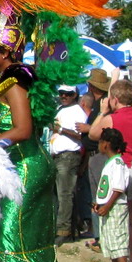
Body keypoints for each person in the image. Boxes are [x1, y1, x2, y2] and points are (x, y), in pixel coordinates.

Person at [87, 79, 132, 262]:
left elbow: (93, 134)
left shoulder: (112, 118)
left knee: (128, 222)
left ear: (114, 99)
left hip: (127, 170)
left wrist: (102, 112)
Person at [93, 128, 132, 262]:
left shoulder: (118, 163)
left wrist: (108, 205)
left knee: (118, 240)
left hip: (115, 207)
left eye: (101, 142)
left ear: (106, 144)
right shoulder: (109, 163)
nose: (99, 145)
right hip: (106, 207)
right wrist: (99, 203)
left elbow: (118, 188)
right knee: (109, 240)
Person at [48, 85, 87, 240]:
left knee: (65, 193)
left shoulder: (78, 112)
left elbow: (81, 135)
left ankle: (63, 230)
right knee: (57, 193)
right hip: (56, 155)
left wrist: (61, 130)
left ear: (74, 95)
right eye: (61, 93)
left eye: (68, 94)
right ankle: (59, 226)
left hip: (69, 155)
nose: (64, 96)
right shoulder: (60, 109)